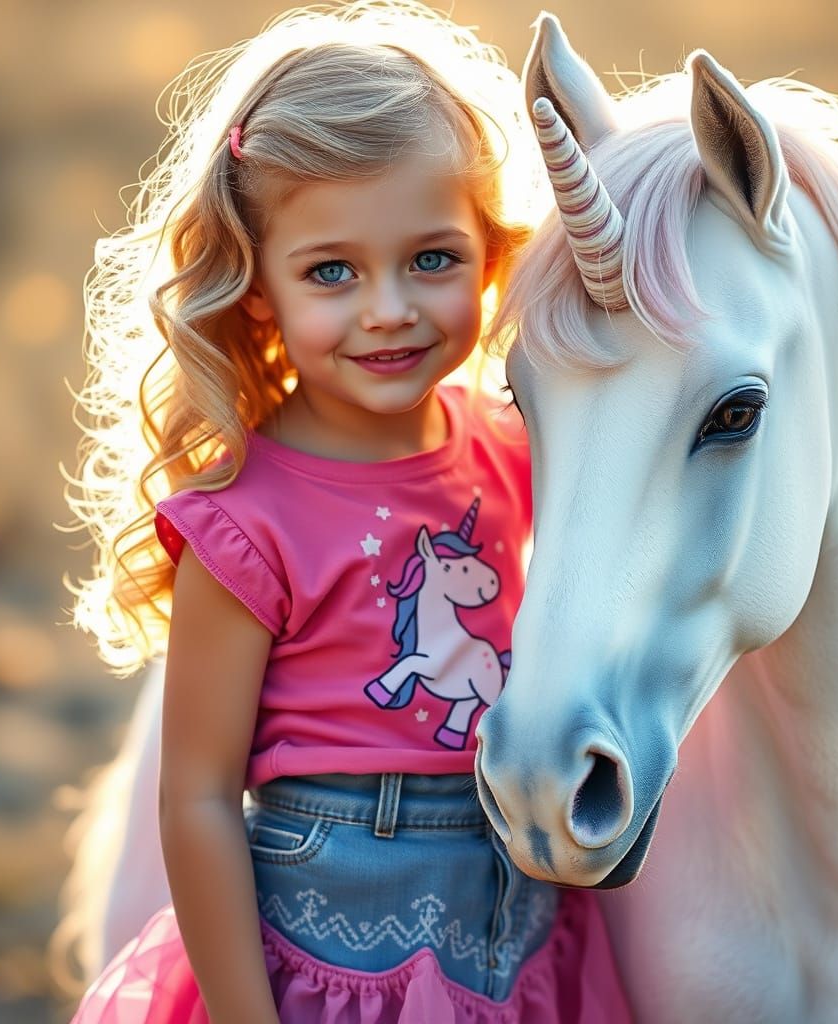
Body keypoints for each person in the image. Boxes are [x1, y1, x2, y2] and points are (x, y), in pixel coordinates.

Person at [63, 2, 629, 1021]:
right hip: (329, 959)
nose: (388, 309)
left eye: (432, 258)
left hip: (512, 932)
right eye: (332, 270)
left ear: (489, 257)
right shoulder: (243, 524)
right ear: (259, 291)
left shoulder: (509, 444)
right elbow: (195, 796)